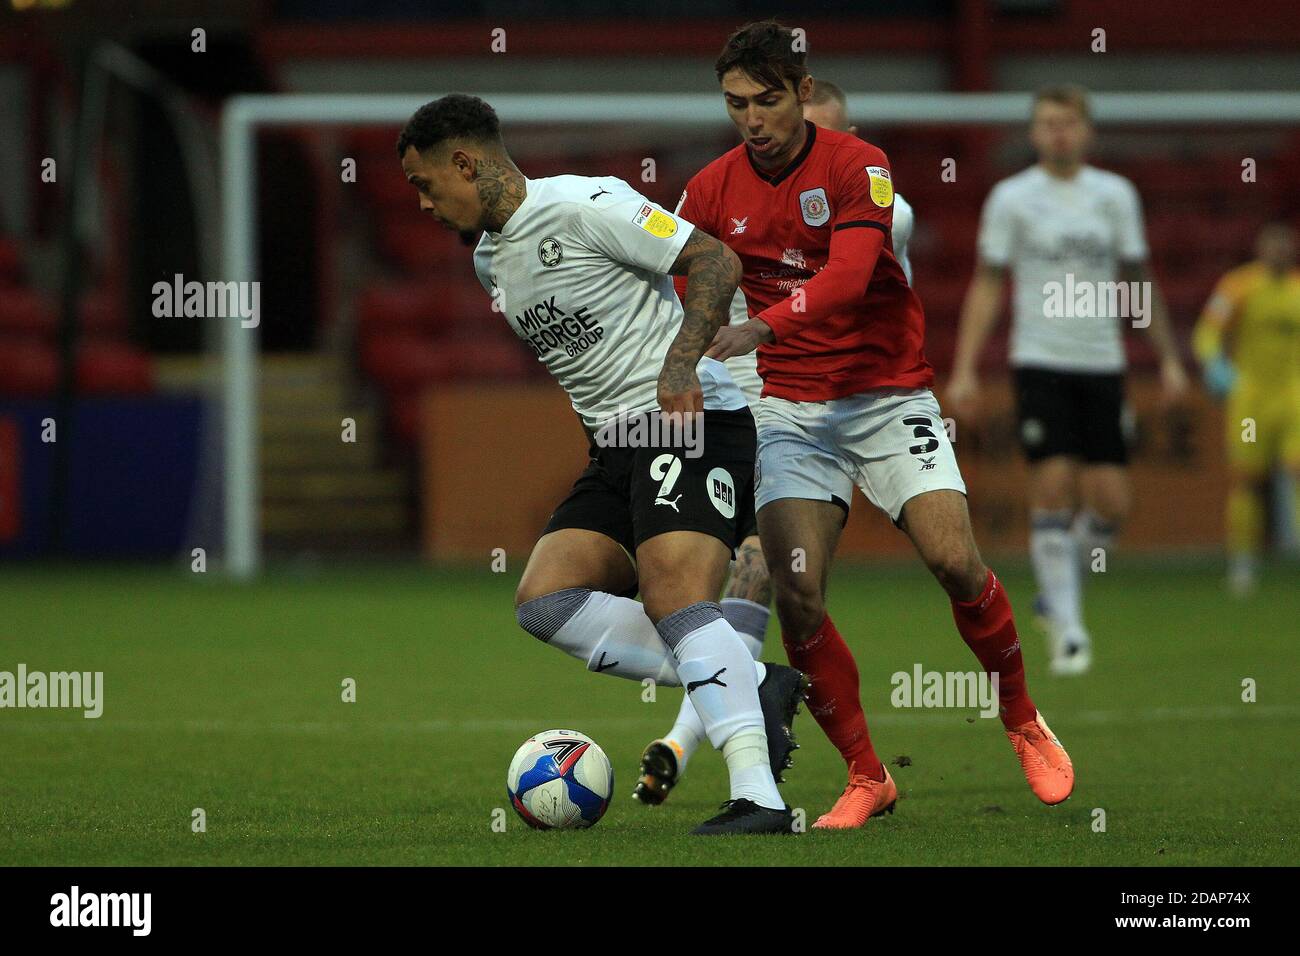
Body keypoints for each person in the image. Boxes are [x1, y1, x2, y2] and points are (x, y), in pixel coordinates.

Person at [657, 20, 1074, 830]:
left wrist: (764, 325)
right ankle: (866, 775)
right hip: (789, 411)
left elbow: (849, 276)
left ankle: (1021, 716)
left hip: (885, 397)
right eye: (736, 103)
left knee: (955, 561)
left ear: (804, 94)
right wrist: (694, 355)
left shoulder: (861, 167)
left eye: (767, 101)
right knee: (799, 594)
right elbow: (688, 280)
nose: (751, 118)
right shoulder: (710, 188)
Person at [397, 93, 806, 835]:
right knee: (545, 599)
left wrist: (682, 364)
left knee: (674, 594)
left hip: (690, 421)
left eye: (425, 183)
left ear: (466, 161)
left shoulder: (586, 203)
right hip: (618, 445)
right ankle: (752, 681)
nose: (423, 203)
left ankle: (759, 798)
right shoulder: (492, 258)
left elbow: (715, 258)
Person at [636, 75, 920, 807]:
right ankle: (713, 721)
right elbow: (682, 279)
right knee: (715, 570)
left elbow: (854, 290)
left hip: (834, 400)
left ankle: (696, 737)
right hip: (745, 393)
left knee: (762, 566)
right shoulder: (720, 197)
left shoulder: (888, 209)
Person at [949, 84, 1189, 675]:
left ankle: (1054, 594)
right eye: (1048, 123)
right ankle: (1070, 631)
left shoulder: (1114, 195)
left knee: (1111, 504)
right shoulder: (1012, 198)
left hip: (1102, 362)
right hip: (1041, 359)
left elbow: (1138, 276)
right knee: (1053, 486)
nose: (1059, 132)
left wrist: (1170, 358)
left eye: (1068, 123)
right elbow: (987, 282)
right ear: (1034, 133)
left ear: (1087, 130)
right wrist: (964, 367)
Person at [1193, 222, 1300, 596]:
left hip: (1294, 395)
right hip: (1250, 398)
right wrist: (1215, 365)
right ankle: (1243, 563)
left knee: (1297, 468)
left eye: (1284, 244)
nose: (1278, 251)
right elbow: (1207, 332)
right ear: (1259, 247)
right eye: (1272, 244)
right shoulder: (1238, 286)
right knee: (1247, 480)